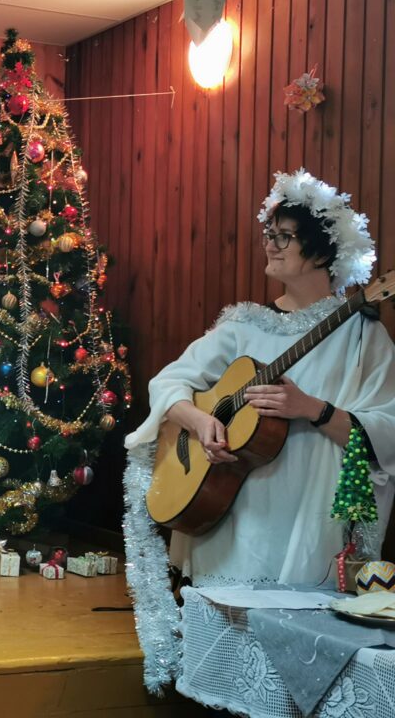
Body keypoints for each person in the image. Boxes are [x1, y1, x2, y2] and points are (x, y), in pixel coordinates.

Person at [122, 168, 395, 690]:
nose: (270, 244)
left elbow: (389, 430)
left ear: (322, 251)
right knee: (227, 659)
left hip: (306, 518)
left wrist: (312, 408)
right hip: (231, 513)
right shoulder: (243, 324)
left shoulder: (363, 337)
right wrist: (200, 420)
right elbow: (169, 383)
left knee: (292, 663)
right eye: (269, 234)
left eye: (284, 237)